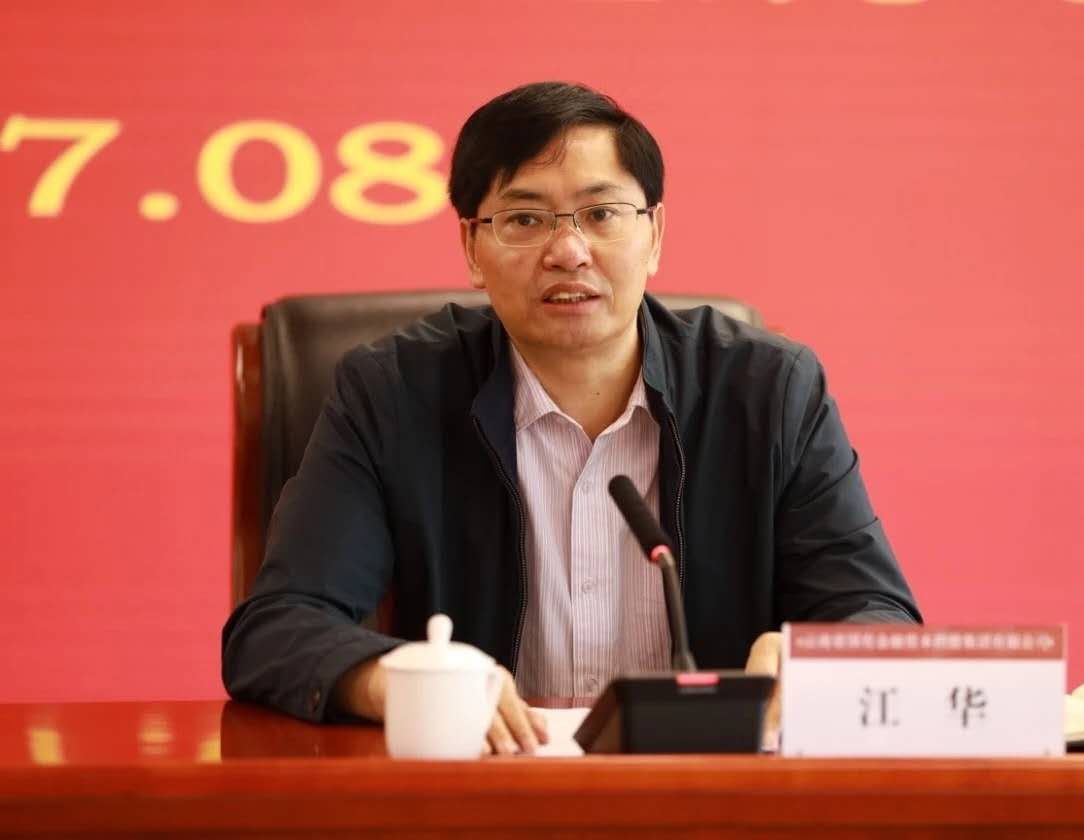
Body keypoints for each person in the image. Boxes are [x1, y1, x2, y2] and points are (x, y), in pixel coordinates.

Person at [221, 81, 921, 755]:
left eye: (601, 213)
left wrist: (815, 659)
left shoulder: (769, 391)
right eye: (525, 219)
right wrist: (400, 682)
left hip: (710, 793)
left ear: (654, 235)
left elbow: (878, 616)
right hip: (483, 792)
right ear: (471, 248)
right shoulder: (392, 393)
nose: (568, 251)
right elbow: (278, 628)